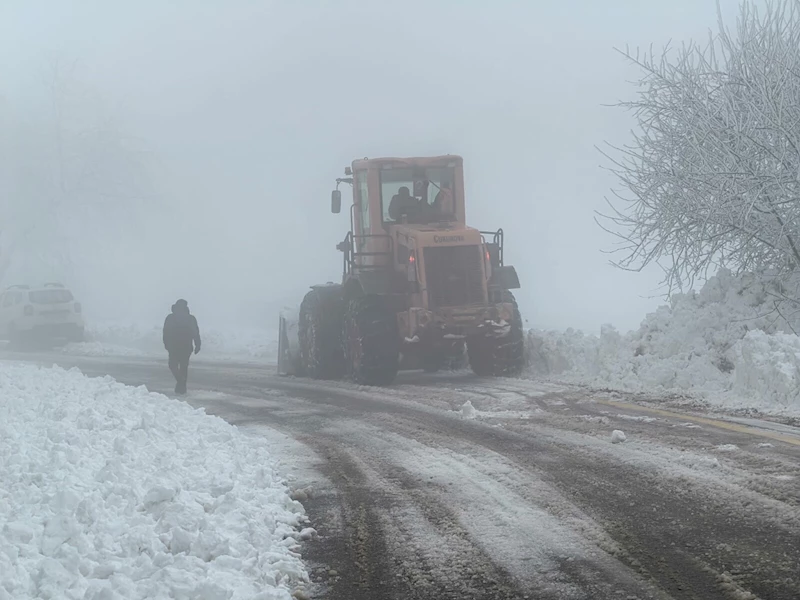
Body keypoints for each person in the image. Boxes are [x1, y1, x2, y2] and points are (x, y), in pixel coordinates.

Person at [162, 298, 201, 395]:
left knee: (173, 366)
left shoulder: (171, 317)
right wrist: (197, 344)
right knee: (183, 367)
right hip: (185, 346)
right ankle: (182, 386)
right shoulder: (190, 318)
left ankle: (181, 384)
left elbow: (165, 332)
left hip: (175, 346)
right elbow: (196, 332)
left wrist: (166, 344)